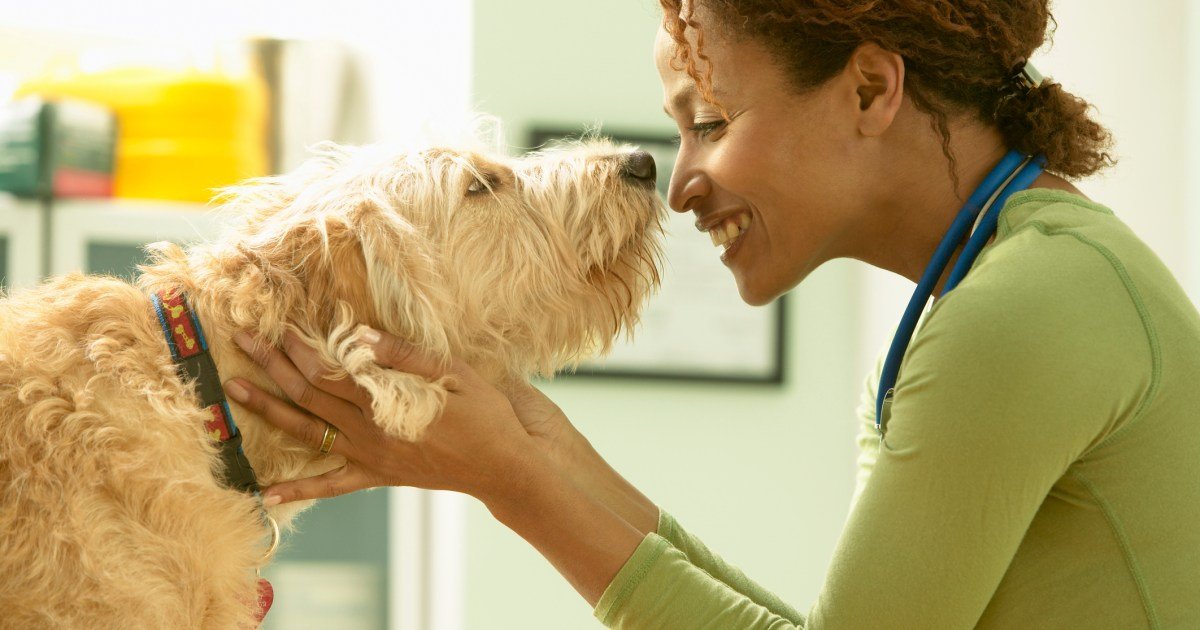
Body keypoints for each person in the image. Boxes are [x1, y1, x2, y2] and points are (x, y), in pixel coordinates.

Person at [221, 1, 1200, 627]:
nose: (679, 181)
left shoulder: (1022, 311)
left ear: (869, 89)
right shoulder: (1010, 284)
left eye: (712, 124)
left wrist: (513, 481)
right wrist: (544, 449)